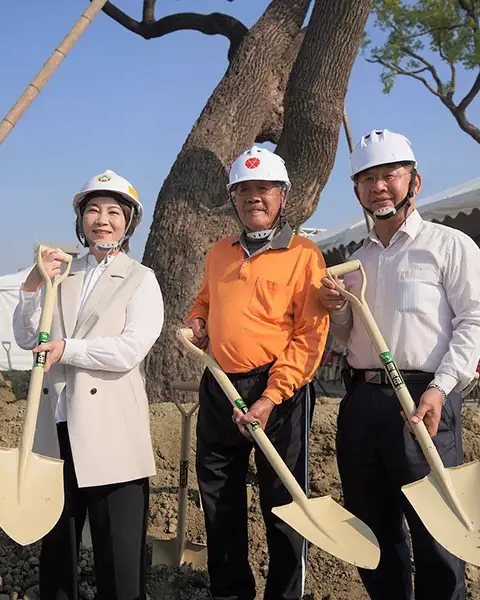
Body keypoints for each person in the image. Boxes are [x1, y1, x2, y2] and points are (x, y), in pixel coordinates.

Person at [318, 129, 480, 600]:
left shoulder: (449, 245)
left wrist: (440, 388)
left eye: (389, 176)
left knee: (437, 531)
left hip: (424, 399)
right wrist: (337, 308)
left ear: (414, 182)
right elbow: (347, 338)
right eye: (368, 178)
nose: (379, 186)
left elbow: (477, 321)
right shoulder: (355, 261)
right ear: (357, 190)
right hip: (361, 402)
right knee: (374, 528)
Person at [13, 169, 164, 600]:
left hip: (112, 433)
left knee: (118, 558)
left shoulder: (141, 279)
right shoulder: (59, 273)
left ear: (129, 222)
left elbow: (129, 350)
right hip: (56, 427)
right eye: (93, 210)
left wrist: (69, 350)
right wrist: (31, 285)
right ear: (80, 220)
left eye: (114, 212)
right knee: (57, 550)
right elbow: (28, 337)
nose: (102, 220)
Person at [186, 146, 330, 600]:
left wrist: (271, 397)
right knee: (219, 499)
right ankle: (229, 593)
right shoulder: (219, 253)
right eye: (244, 190)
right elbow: (206, 301)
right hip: (220, 386)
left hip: (279, 392)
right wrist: (197, 322)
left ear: (283, 196)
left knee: (284, 505)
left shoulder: (305, 256)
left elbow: (310, 336)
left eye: (263, 189)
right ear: (234, 198)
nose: (254, 198)